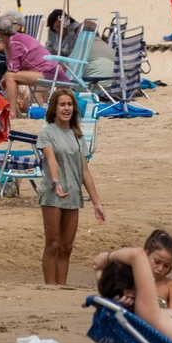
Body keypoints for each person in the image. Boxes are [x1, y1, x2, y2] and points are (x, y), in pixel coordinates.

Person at [35, 89, 106, 285]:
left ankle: (61, 287)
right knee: (53, 244)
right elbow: (51, 160)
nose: (66, 108)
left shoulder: (78, 135)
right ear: (54, 109)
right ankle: (50, 288)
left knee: (66, 246)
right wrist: (56, 182)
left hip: (73, 194)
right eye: (62, 104)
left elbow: (84, 171)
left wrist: (96, 203)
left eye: (69, 105)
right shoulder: (47, 132)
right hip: (53, 193)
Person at [0, 14, 61, 116]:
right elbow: (12, 66)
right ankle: (14, 110)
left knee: (10, 77)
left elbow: (13, 70)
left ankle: (12, 113)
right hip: (47, 71)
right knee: (10, 77)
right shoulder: (16, 39)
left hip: (50, 73)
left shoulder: (15, 43)